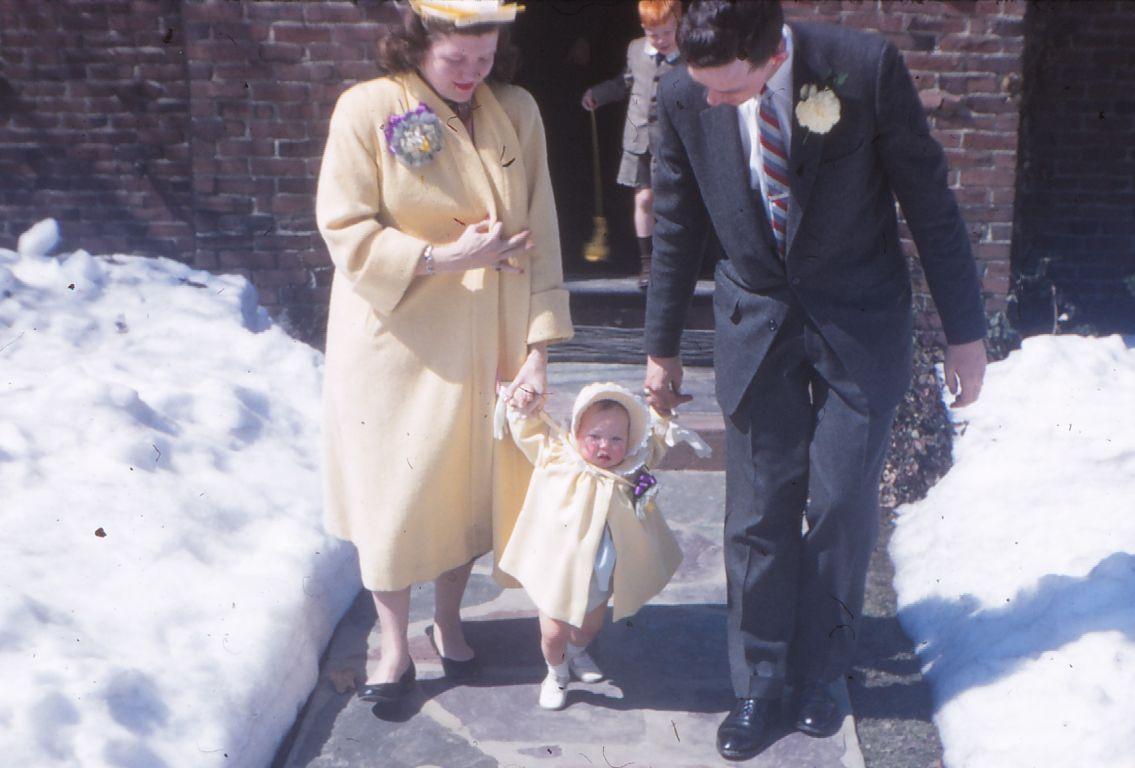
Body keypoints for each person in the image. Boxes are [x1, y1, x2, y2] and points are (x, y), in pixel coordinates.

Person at [641, 0, 989, 759]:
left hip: (858, 320)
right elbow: (675, 223)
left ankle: (822, 672)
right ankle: (758, 682)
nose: (713, 102)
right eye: (703, 88)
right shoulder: (681, 91)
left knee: (839, 503)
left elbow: (927, 198)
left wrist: (965, 336)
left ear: (772, 56)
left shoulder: (860, 69)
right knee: (758, 511)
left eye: (730, 89)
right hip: (753, 321)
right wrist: (659, 345)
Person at [315, 0, 572, 705]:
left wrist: (540, 347)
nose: (470, 75)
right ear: (416, 46)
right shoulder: (367, 108)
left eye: (484, 60)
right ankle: (393, 647)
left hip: (491, 333)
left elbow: (541, 227)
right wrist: (438, 256)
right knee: (393, 495)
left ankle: (449, 624)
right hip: (396, 341)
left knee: (466, 486)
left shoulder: (515, 109)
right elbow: (343, 224)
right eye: (454, 61)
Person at [493, 382, 709, 709]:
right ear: (577, 432)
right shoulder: (558, 457)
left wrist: (662, 411)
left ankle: (578, 651)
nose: (603, 446)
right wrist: (520, 406)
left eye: (616, 439)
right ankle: (556, 672)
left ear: (630, 440)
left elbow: (655, 443)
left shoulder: (633, 469)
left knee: (589, 625)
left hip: (601, 568)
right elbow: (530, 432)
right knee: (554, 632)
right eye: (594, 437)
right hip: (559, 569)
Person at [581, 0, 683, 289]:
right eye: (654, 34)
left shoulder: (688, 53)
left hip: (674, 140)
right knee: (644, 199)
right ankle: (647, 264)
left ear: (678, 23)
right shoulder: (636, 50)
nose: (661, 40)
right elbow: (624, 82)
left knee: (674, 203)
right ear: (643, 29)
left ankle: (674, 262)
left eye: (667, 32)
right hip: (640, 138)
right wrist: (598, 94)